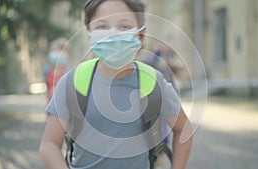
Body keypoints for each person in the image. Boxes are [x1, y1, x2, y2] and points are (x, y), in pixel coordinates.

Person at [39, 0, 193, 169]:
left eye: (124, 26)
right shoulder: (73, 81)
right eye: (102, 26)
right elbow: (50, 144)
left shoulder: (153, 81)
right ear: (89, 33)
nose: (113, 34)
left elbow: (183, 130)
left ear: (140, 35)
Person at [44, 37, 70, 104]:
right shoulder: (47, 70)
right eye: (53, 50)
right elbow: (47, 89)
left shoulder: (68, 72)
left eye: (60, 51)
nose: (56, 53)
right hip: (50, 105)